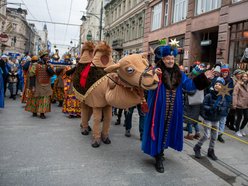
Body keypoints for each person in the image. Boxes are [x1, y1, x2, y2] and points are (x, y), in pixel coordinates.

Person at [142, 41, 214, 173]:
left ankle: (161, 151)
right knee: (158, 129)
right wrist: (153, 75)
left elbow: (190, 86)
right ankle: (158, 156)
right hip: (158, 108)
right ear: (162, 59)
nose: (170, 61)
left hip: (173, 109)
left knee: (167, 130)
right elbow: (145, 83)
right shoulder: (155, 70)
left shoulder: (179, 73)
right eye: (167, 58)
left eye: (172, 58)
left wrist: (203, 77)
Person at [194, 77, 230, 161]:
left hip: (216, 119)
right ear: (213, 85)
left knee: (215, 136)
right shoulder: (209, 95)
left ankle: (211, 150)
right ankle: (197, 147)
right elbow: (203, 106)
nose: (217, 86)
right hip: (208, 118)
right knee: (207, 135)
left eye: (219, 84)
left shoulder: (222, 97)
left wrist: (221, 109)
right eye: (216, 84)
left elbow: (225, 106)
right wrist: (211, 108)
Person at [25, 51, 54, 119]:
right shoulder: (35, 65)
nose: (47, 57)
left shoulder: (49, 65)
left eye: (47, 56)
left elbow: (52, 73)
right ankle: (34, 111)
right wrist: (32, 86)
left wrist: (48, 67)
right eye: (45, 56)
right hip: (37, 84)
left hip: (46, 84)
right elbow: (31, 75)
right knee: (35, 98)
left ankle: (42, 113)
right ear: (42, 57)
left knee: (45, 98)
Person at [184, 64, 205, 140]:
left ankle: (190, 134)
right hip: (198, 102)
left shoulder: (194, 80)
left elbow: (191, 92)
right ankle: (197, 132)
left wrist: (184, 90)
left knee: (189, 118)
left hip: (191, 101)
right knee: (195, 119)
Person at [217, 65, 233, 143]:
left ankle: (220, 134)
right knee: (216, 118)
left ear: (228, 72)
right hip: (217, 100)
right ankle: (215, 133)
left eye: (226, 72)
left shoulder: (230, 80)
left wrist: (229, 102)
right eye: (223, 72)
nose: (224, 73)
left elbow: (230, 91)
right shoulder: (218, 79)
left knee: (223, 119)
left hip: (226, 101)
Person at [233, 72, 248, 137]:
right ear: (241, 77)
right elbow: (235, 94)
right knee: (239, 117)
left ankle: (241, 129)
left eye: (246, 76)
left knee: (247, 118)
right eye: (243, 76)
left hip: (246, 104)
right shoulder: (238, 84)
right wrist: (234, 104)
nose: (245, 78)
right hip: (239, 104)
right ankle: (237, 130)